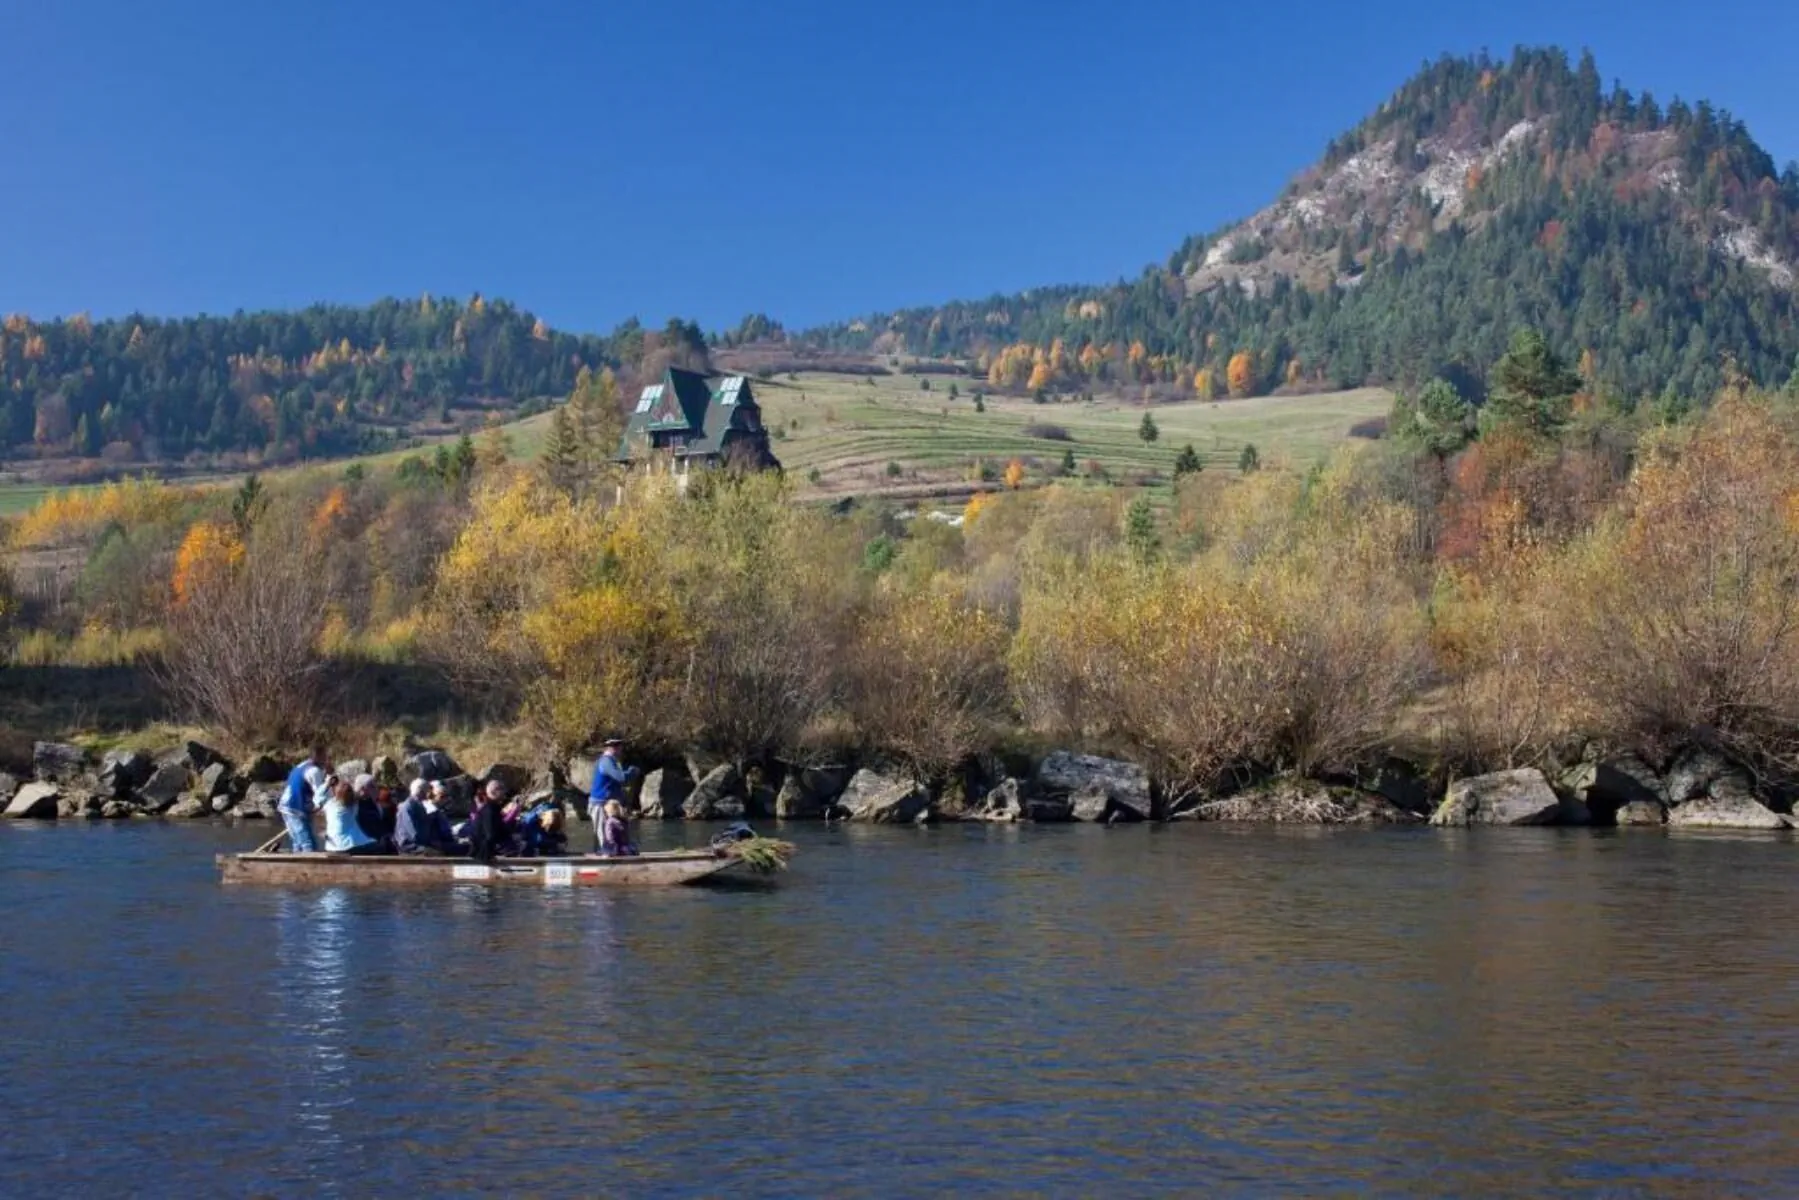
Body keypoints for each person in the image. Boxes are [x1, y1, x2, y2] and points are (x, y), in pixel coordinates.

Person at [588, 738, 638, 849]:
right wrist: (632, 772)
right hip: (600, 804)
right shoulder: (606, 761)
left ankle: (609, 855)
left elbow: (615, 784)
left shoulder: (612, 762)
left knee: (611, 834)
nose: (621, 751)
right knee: (604, 838)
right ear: (614, 748)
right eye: (620, 748)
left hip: (608, 804)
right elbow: (621, 778)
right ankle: (603, 860)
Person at [278, 746, 329, 853]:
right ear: (320, 757)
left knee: (298, 842)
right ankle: (310, 867)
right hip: (295, 808)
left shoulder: (302, 765)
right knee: (308, 843)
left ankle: (296, 865)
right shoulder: (314, 771)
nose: (327, 759)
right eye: (325, 756)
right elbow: (320, 794)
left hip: (287, 806)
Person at [322, 779, 382, 856]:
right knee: (378, 846)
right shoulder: (353, 804)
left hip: (331, 846)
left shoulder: (329, 804)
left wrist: (327, 784)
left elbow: (318, 797)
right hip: (348, 846)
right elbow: (361, 794)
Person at [468, 780, 509, 863]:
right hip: (482, 852)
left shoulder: (492, 807)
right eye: (502, 790)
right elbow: (490, 834)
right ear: (494, 792)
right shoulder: (489, 810)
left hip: (485, 848)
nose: (504, 793)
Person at [352, 773, 392, 853]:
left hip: (378, 843)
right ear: (363, 790)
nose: (377, 790)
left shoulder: (376, 805)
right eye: (373, 787)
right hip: (366, 845)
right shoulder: (356, 806)